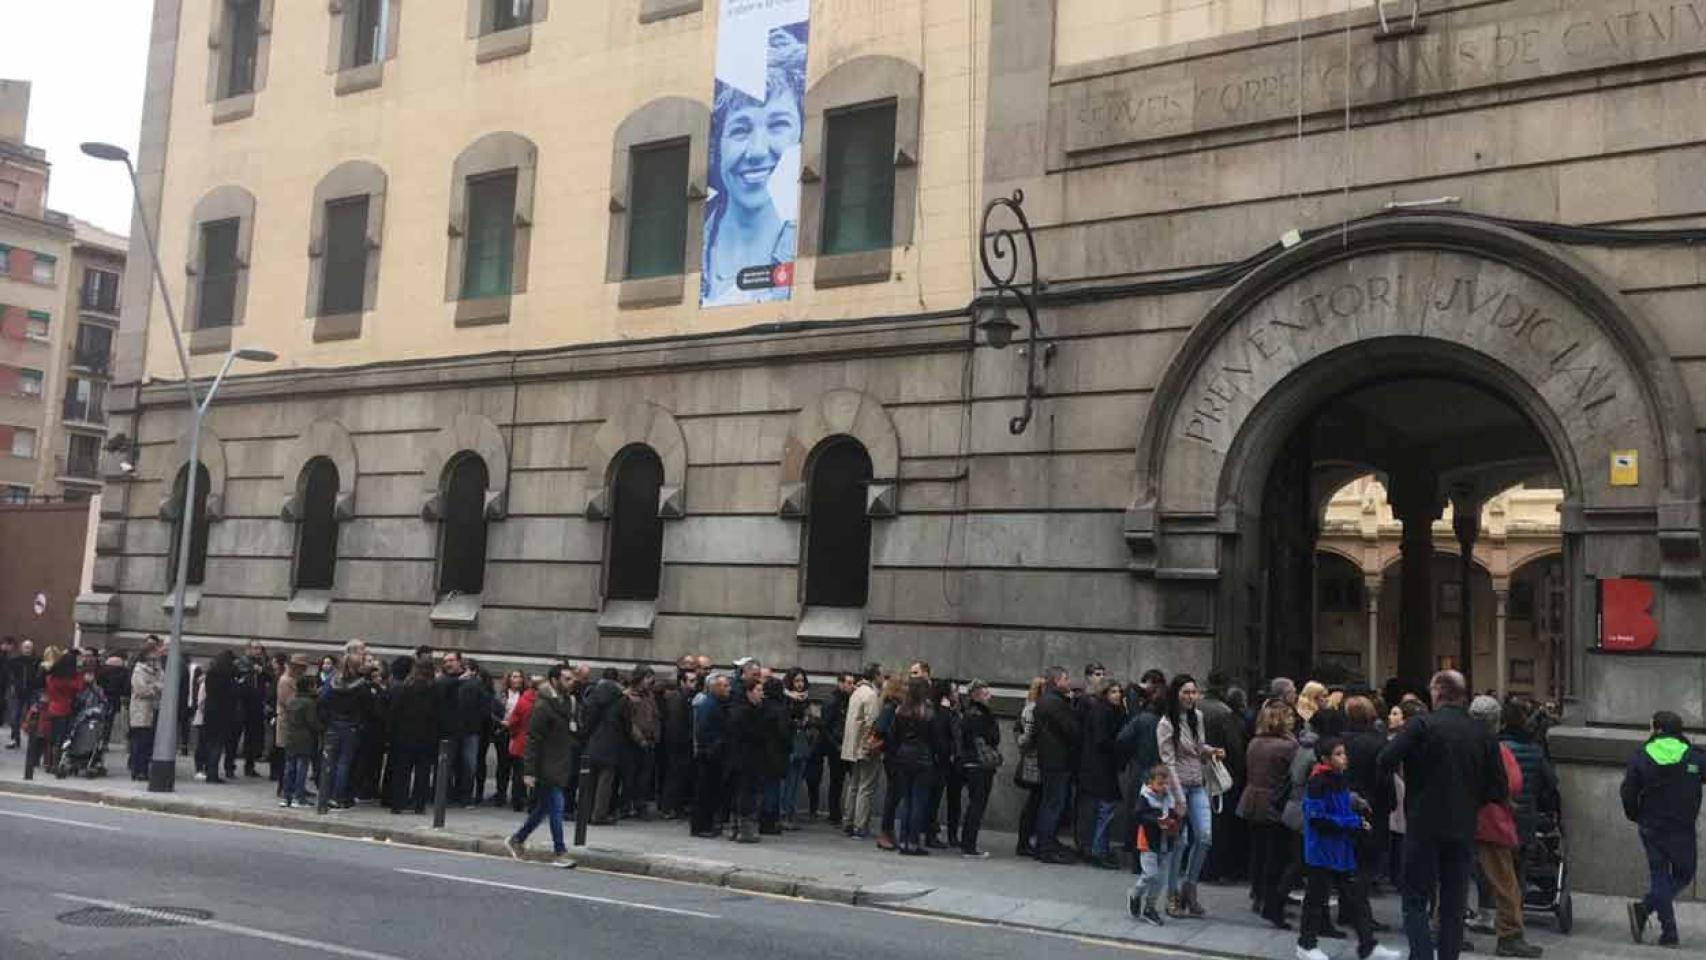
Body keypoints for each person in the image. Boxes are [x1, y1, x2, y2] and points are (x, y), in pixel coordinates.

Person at [1379, 670, 1507, 960]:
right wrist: (1471, 798)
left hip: (1423, 822)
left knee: (1415, 897)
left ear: (1437, 693)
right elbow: (1498, 787)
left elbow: (1385, 759)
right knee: (1453, 901)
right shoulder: (1481, 734)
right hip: (1462, 825)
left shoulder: (1421, 726)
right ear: (1462, 695)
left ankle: (1421, 955)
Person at [701, 26, 805, 306]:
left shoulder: (814, 238)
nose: (757, 151)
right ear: (718, 146)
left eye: (778, 125)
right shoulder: (684, 243)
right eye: (740, 129)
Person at [1295, 737, 1401, 960]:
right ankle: (1306, 944)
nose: (1344, 758)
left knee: (1354, 898)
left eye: (1344, 753)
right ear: (1325, 759)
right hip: (1322, 851)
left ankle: (1368, 946)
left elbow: (1337, 807)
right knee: (1317, 899)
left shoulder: (1338, 778)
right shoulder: (1318, 782)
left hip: (1340, 849)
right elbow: (1317, 818)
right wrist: (1352, 822)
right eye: (1338, 754)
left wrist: (1354, 810)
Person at [1621, 709, 1705, 947]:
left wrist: (1635, 815)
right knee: (1684, 873)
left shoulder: (1640, 756)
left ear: (1657, 729)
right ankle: (1665, 929)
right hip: (1682, 828)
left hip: (1651, 826)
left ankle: (1650, 913)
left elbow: (1627, 793)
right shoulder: (1693, 756)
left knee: (1659, 875)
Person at [1468, 696, 1543, 958]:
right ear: (1495, 721)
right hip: (1491, 820)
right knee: (1505, 882)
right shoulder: (1497, 749)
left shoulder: (1457, 744)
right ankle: (1509, 935)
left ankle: (1443, 925)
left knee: (1451, 877)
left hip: (1458, 818)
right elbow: (1513, 783)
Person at [1158, 673, 1225, 916]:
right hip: (1177, 788)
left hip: (1198, 785)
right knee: (1180, 842)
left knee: (1205, 837)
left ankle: (1190, 887)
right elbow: (1169, 763)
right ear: (1175, 694)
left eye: (1193, 692)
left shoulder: (1198, 717)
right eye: (1185, 692)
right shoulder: (1166, 723)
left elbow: (1197, 747)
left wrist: (1211, 751)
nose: (1190, 696)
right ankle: (1172, 894)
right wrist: (1178, 797)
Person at [506, 664, 581, 867]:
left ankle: (517, 839)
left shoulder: (569, 702)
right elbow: (532, 739)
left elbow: (572, 732)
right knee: (557, 806)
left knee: (542, 809)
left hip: (561, 763)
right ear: (555, 681)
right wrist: (529, 771)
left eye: (571, 678)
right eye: (566, 679)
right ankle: (559, 852)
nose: (571, 682)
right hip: (544, 766)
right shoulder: (542, 706)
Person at [1242, 700, 1300, 926]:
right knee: (1276, 855)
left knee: (1258, 852)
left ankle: (1258, 895)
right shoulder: (1288, 747)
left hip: (1252, 799)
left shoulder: (1255, 742)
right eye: (1289, 717)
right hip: (1275, 802)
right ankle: (1272, 899)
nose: (1292, 720)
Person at [889, 677, 946, 856]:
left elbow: (894, 736)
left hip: (904, 757)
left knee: (906, 801)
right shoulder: (928, 712)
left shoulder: (901, 710)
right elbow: (936, 739)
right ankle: (913, 841)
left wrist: (899, 751)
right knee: (918, 801)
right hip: (923, 758)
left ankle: (904, 840)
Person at [1033, 666, 1079, 864]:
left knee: (1049, 803)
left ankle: (1046, 842)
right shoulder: (1056, 704)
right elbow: (1071, 730)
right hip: (1058, 760)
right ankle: (1045, 846)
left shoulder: (1043, 701)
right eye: (1066, 679)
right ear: (1058, 681)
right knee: (1053, 804)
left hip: (1049, 759)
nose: (1069, 683)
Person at [1128, 764, 1183, 927]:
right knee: (1150, 874)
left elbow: (1176, 816)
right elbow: (1138, 816)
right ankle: (1135, 894)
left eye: (1166, 784)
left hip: (1166, 843)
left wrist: (1176, 820)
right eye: (1160, 784)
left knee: (1160, 880)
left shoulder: (1170, 798)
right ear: (1151, 782)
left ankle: (1150, 908)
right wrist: (1157, 821)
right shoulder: (1145, 797)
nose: (1163, 788)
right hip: (1148, 842)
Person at [1079, 678, 1126, 868]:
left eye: (1119, 691)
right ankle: (1099, 850)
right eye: (1113, 691)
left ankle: (1099, 848)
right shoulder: (1102, 712)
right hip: (1099, 767)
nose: (1118, 695)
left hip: (1100, 767)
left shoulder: (1109, 711)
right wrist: (1119, 745)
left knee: (1104, 809)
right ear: (1105, 694)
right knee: (1105, 809)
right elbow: (1101, 740)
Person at [319, 653, 375, 811]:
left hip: (333, 724)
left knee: (329, 760)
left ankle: (326, 794)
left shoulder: (333, 681)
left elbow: (323, 700)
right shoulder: (362, 685)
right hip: (351, 726)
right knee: (344, 763)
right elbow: (369, 707)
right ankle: (338, 796)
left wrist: (327, 718)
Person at [388, 659, 439, 815]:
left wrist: (392, 734)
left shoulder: (405, 688)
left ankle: (398, 803)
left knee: (402, 771)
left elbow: (394, 713)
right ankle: (419, 804)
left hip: (404, 736)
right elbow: (438, 716)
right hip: (426, 737)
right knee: (422, 772)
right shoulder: (434, 690)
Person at [957, 679, 1000, 858]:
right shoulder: (980, 715)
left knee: (975, 804)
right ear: (977, 695)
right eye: (985, 692)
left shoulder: (968, 712)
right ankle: (969, 845)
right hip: (979, 764)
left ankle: (968, 843)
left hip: (970, 762)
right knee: (977, 805)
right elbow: (990, 737)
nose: (989, 696)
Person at [840, 662, 882, 840]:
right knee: (865, 787)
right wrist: (869, 745)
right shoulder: (871, 694)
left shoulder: (857, 691)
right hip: (864, 747)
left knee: (854, 785)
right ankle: (859, 825)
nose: (883, 678)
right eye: (881, 675)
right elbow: (871, 723)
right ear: (875, 676)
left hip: (852, 746)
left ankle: (849, 821)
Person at [726, 673, 769, 843]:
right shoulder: (744, 713)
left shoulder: (753, 710)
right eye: (758, 690)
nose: (761, 694)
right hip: (745, 761)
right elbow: (751, 736)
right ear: (749, 692)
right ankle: (744, 830)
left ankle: (737, 828)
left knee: (743, 795)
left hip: (749, 760)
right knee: (746, 796)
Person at [581, 668, 626, 825]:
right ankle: (599, 814)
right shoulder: (620, 697)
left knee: (589, 780)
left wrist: (585, 735)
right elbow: (625, 721)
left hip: (594, 741)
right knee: (605, 781)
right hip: (611, 742)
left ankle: (585, 812)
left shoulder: (593, 694)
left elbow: (588, 719)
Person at [689, 673, 732, 839]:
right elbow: (702, 730)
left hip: (715, 754)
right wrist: (713, 746)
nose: (728, 689)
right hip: (708, 755)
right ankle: (700, 826)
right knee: (704, 792)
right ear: (715, 688)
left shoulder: (719, 704)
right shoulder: (708, 705)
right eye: (724, 686)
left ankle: (707, 824)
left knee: (712, 792)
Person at [620, 666, 661, 821]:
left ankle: (640, 805)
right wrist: (640, 739)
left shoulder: (649, 696)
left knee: (644, 777)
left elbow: (655, 716)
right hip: (633, 743)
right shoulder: (628, 696)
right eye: (647, 678)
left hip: (650, 740)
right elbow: (629, 722)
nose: (650, 681)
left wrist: (656, 735)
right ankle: (625, 805)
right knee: (629, 776)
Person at [781, 667, 819, 829]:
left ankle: (790, 812)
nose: (799, 684)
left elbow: (814, 719)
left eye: (802, 680)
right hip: (791, 742)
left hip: (803, 741)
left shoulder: (806, 699)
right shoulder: (786, 698)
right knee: (788, 780)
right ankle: (784, 813)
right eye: (796, 681)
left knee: (797, 779)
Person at [659, 663, 698, 820]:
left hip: (681, 743)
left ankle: (675, 806)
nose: (694, 684)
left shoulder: (687, 698)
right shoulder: (677, 698)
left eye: (695, 680)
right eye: (691, 681)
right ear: (682, 682)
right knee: (674, 775)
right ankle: (668, 807)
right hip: (677, 744)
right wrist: (681, 741)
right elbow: (675, 724)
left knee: (679, 776)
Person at [1014, 677, 1045, 857]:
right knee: (1035, 800)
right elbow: (1026, 736)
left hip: (1031, 758)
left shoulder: (1029, 707)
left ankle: (1026, 840)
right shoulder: (1033, 709)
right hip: (1034, 759)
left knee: (1035, 800)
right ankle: (1025, 841)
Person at [279, 674, 321, 808]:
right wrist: (322, 728)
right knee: (302, 767)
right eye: (314, 685)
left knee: (289, 767)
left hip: (291, 736)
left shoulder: (292, 700)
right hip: (304, 737)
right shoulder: (309, 703)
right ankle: (299, 797)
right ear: (309, 687)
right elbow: (312, 721)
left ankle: (286, 797)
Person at [127, 642, 164, 781]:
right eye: (155, 652)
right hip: (141, 710)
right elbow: (141, 690)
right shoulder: (139, 670)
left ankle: (144, 769)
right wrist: (156, 688)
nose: (157, 656)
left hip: (154, 709)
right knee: (140, 742)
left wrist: (155, 687)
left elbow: (165, 683)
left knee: (149, 743)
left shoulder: (158, 669)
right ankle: (138, 770)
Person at [199, 650, 237, 783]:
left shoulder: (211, 673)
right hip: (222, 712)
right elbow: (232, 694)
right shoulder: (228, 675)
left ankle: (208, 769)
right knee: (217, 744)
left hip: (210, 710)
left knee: (210, 743)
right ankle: (212, 773)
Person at [821, 672, 854, 826]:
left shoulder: (849, 699)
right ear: (840, 683)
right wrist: (835, 745)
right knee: (836, 781)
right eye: (848, 682)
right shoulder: (832, 701)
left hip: (846, 744)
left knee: (848, 780)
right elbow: (825, 727)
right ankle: (834, 813)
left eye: (852, 682)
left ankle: (842, 813)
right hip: (837, 747)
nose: (851, 686)